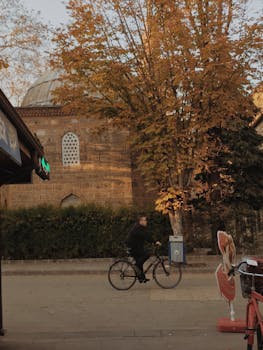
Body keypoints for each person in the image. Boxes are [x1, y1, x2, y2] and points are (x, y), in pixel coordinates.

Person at [126, 215, 161, 283]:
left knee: (140, 261)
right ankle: (136, 267)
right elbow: (146, 236)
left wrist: (153, 242)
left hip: (135, 247)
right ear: (141, 221)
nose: (146, 221)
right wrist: (155, 242)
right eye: (145, 220)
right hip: (133, 247)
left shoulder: (140, 227)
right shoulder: (138, 228)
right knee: (146, 255)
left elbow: (147, 235)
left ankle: (141, 278)